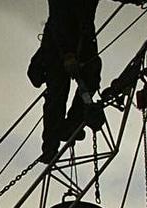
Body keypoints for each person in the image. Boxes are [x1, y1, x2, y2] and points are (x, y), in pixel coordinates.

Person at [29, 0, 105, 163]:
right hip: (57, 46)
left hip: (82, 41)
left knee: (90, 79)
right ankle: (51, 147)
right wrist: (67, 54)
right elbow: (58, 21)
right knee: (57, 95)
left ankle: (71, 125)